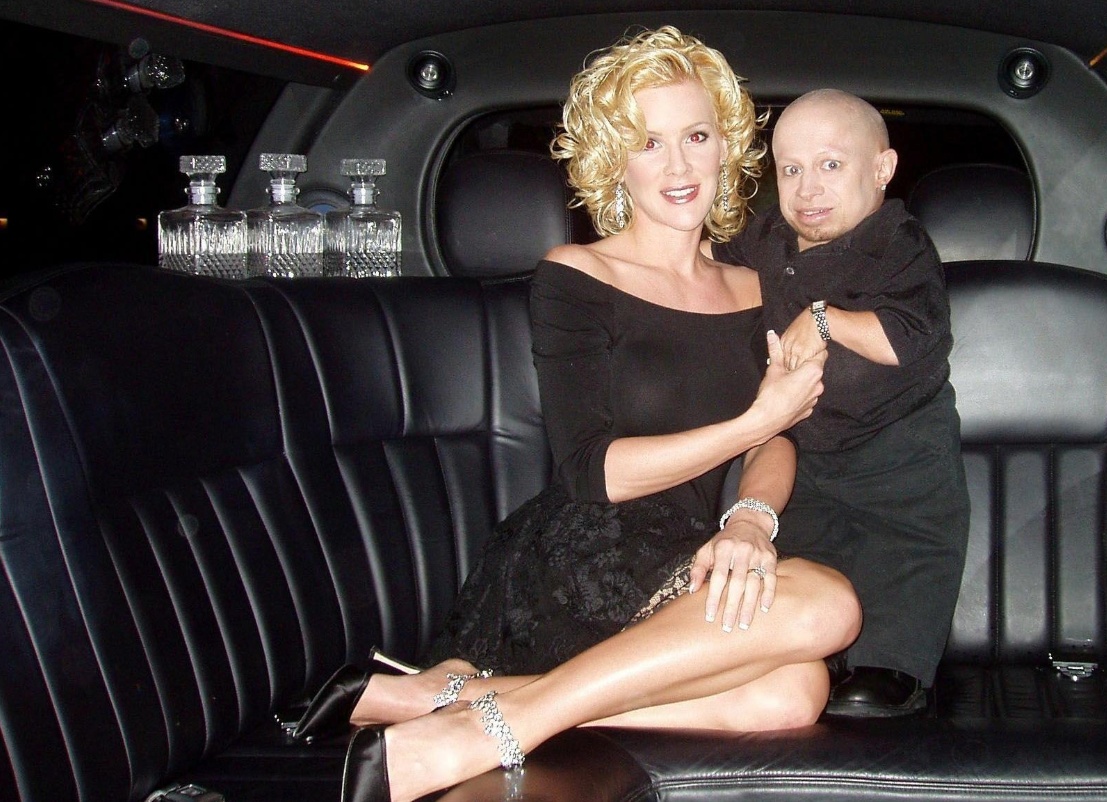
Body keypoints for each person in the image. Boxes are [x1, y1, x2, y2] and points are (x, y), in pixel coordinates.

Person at [293, 27, 861, 802]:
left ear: (727, 145)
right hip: (588, 546)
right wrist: (752, 422)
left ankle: (464, 701)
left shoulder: (760, 286)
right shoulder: (577, 275)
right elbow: (595, 472)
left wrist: (752, 522)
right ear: (613, 158)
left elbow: (779, 435)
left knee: (794, 694)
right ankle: (493, 726)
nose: (678, 165)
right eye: (648, 142)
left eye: (696, 136)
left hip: (694, 545)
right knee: (832, 604)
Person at [711, 88, 970, 718]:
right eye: (791, 169)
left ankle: (893, 665)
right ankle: (819, 654)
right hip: (803, 444)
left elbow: (914, 337)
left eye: (831, 165)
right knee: (805, 544)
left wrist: (825, 319)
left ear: (881, 169)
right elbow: (709, 266)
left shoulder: (898, 243)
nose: (808, 189)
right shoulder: (768, 237)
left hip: (900, 441)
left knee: (908, 548)